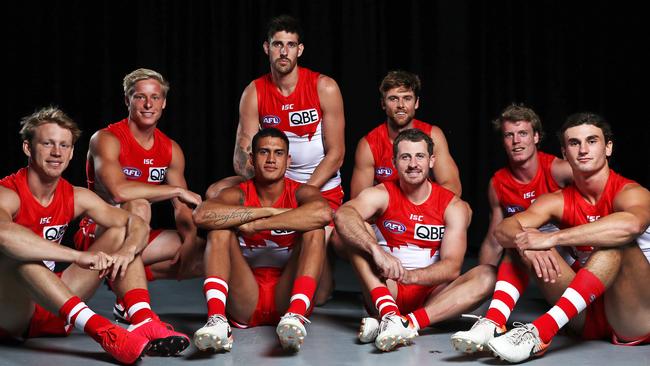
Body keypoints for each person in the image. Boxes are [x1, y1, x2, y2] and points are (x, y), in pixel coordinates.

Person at [0, 107, 188, 364]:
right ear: (27, 148)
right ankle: (103, 331)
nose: (57, 152)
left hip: (57, 302)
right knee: (18, 258)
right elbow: (3, 235)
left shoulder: (75, 195)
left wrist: (128, 250)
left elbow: (135, 223)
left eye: (64, 145)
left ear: (72, 153)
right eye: (47, 144)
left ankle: (143, 319)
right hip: (12, 311)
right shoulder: (7, 192)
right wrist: (77, 256)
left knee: (122, 229)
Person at [470, 113, 649, 362]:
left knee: (616, 243)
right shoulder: (557, 199)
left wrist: (552, 239)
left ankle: (541, 331)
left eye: (592, 141)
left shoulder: (630, 192)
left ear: (608, 147)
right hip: (583, 311)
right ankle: (494, 321)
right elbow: (504, 229)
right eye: (574, 143)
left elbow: (631, 225)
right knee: (520, 241)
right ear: (565, 153)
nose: (583, 149)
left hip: (634, 315)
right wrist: (527, 243)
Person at [207, 14, 345, 304]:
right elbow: (242, 153)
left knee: (320, 293)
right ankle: (232, 264)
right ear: (266, 48)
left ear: (300, 50)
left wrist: (299, 193)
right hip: (273, 179)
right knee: (215, 194)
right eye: (278, 44)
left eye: (290, 45)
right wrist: (261, 186)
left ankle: (300, 273)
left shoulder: (324, 87)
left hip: (317, 186)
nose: (284, 51)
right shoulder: (254, 92)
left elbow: (336, 154)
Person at [334, 129, 494, 352]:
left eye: (420, 156)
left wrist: (411, 276)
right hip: (387, 285)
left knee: (487, 275)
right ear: (394, 162)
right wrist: (376, 251)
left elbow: (452, 268)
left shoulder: (452, 205)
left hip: (433, 293)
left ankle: (405, 323)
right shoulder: (382, 193)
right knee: (356, 233)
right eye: (405, 157)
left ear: (432, 161)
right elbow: (343, 214)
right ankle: (388, 311)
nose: (413, 164)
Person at [75, 68, 205, 315]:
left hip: (137, 235)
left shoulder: (171, 149)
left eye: (155, 97)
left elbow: (182, 206)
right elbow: (118, 192)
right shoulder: (106, 138)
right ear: (127, 100)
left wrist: (189, 239)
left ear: (164, 102)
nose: (148, 104)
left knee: (203, 251)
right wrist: (175, 189)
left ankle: (123, 284)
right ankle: (131, 303)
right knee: (140, 205)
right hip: (97, 233)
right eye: (139, 96)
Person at [192, 128, 331, 352]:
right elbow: (201, 215)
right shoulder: (239, 193)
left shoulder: (301, 192)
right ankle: (217, 320)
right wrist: (267, 210)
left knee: (315, 230)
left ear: (288, 160)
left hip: (286, 294)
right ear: (251, 159)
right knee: (219, 229)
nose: (271, 159)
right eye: (263, 152)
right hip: (245, 293)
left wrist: (259, 224)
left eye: (278, 153)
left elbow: (323, 214)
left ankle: (296, 315)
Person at [451, 104, 573, 353]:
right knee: (513, 239)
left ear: (537, 137)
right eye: (509, 135)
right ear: (503, 141)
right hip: (535, 259)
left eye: (523, 134)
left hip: (570, 259)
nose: (516, 141)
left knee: (519, 238)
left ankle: (497, 322)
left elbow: (595, 199)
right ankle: (493, 319)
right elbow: (494, 239)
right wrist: (482, 285)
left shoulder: (559, 169)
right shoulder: (498, 182)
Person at [350, 70, 461, 199]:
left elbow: (453, 187)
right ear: (383, 104)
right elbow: (358, 202)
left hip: (427, 214)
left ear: (416, 102)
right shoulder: (369, 144)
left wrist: (418, 211)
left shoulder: (433, 135)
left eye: (407, 98)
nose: (401, 105)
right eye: (393, 99)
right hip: (388, 216)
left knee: (463, 210)